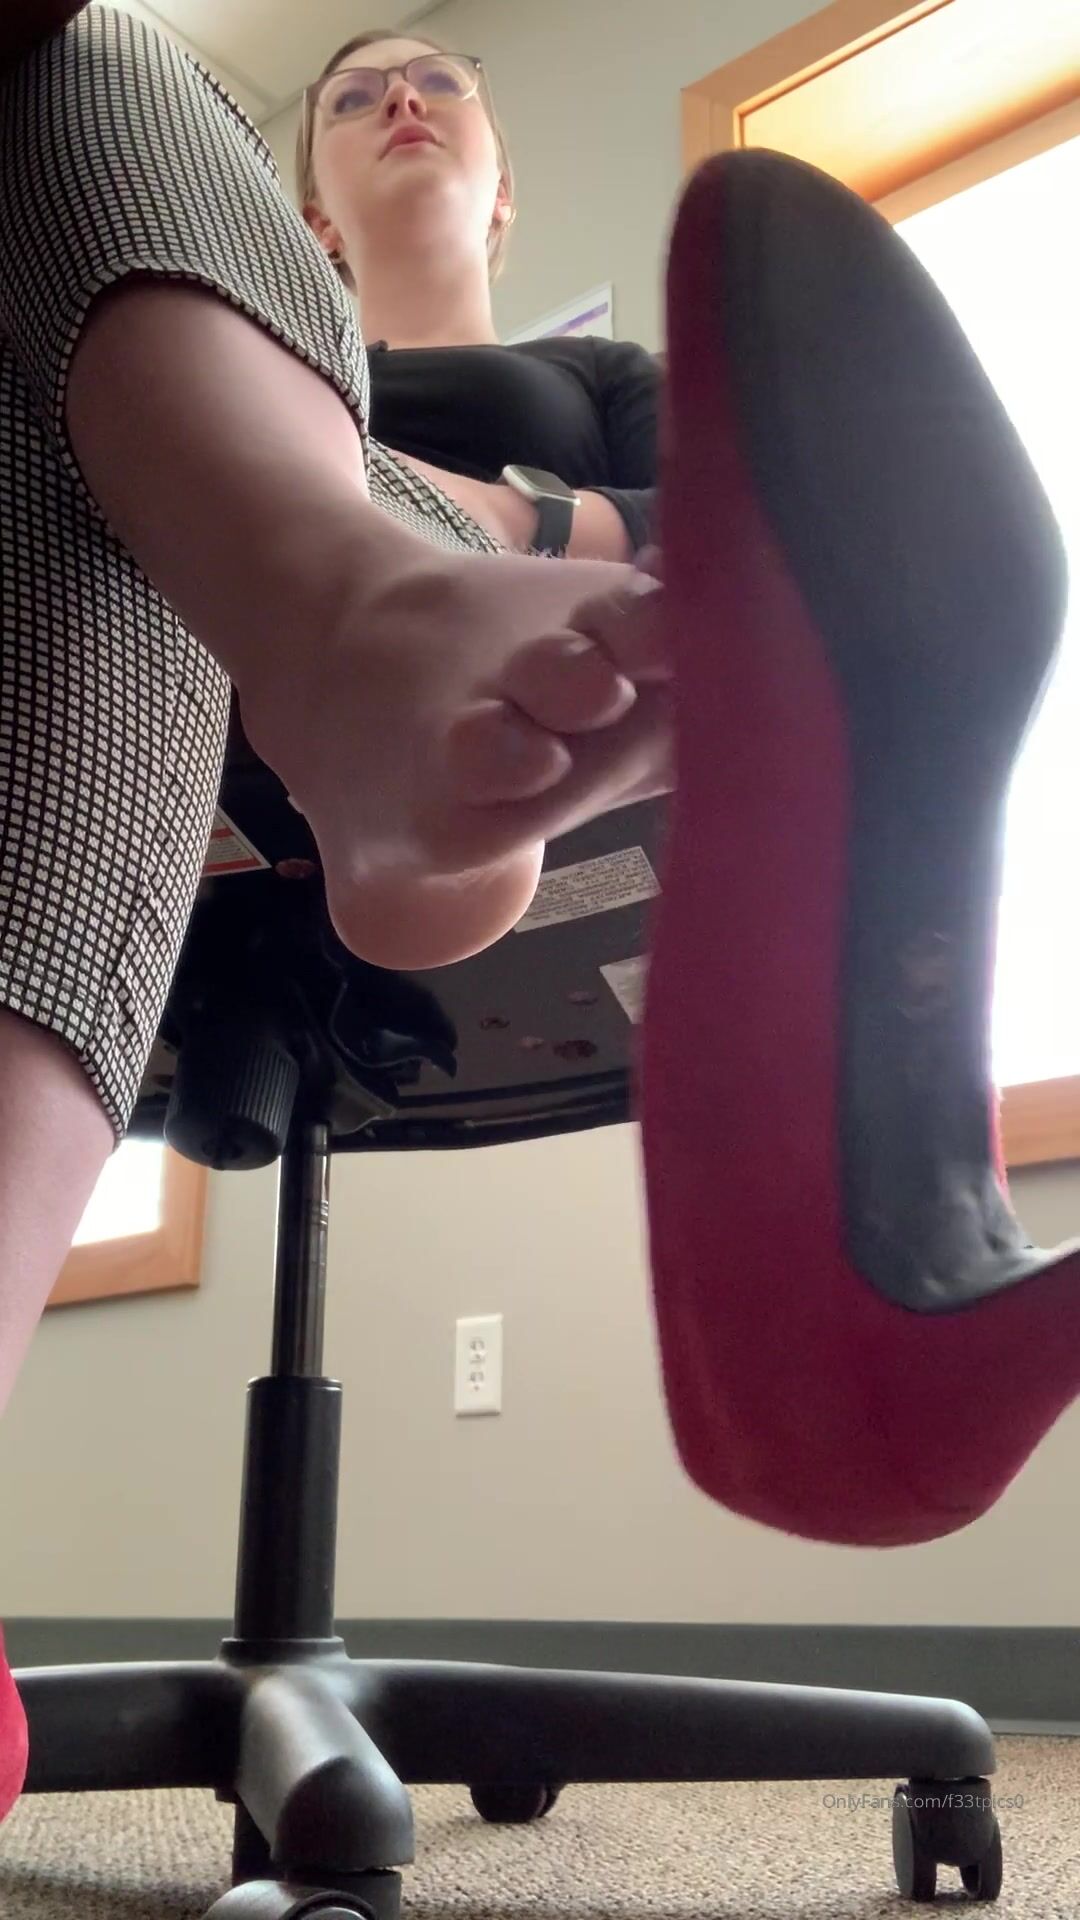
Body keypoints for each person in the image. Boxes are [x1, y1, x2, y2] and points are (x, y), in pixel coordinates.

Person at [295, 28, 661, 570]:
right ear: (318, 225)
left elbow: (732, 525)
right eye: (352, 99)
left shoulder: (604, 369)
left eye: (441, 82)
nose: (403, 98)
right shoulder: (292, 380)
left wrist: (496, 516)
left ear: (501, 194)